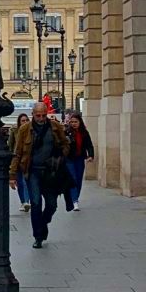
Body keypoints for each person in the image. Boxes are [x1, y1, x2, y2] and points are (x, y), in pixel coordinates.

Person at [10, 101, 69, 248]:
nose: (41, 119)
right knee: (35, 203)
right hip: (33, 171)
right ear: (33, 115)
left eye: (44, 115)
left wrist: (60, 157)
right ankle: (38, 236)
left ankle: (44, 222)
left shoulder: (55, 127)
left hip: (51, 172)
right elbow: (17, 153)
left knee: (52, 204)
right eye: (38, 116)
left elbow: (65, 144)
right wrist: (12, 175)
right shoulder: (24, 130)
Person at [64, 111, 95, 212]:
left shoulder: (84, 133)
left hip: (80, 158)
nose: (73, 124)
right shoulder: (67, 132)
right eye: (72, 122)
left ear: (80, 122)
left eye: (75, 122)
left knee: (78, 179)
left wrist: (90, 155)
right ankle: (74, 201)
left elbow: (89, 145)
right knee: (72, 179)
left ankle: (75, 197)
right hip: (69, 159)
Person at [7, 114, 31, 212]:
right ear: (19, 122)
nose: (24, 122)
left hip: (28, 161)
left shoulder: (31, 131)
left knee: (26, 182)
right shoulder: (15, 131)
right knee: (20, 183)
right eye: (22, 120)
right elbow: (11, 146)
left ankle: (26, 202)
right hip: (17, 160)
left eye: (26, 120)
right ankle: (23, 201)